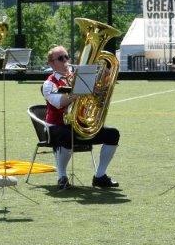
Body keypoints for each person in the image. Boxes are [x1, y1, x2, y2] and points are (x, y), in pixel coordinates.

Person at [41, 45, 121, 190]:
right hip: (57, 126)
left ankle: (100, 176)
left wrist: (103, 82)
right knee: (66, 136)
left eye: (67, 57)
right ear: (51, 63)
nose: (65, 60)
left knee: (113, 134)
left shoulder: (80, 77)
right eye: (60, 58)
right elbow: (59, 102)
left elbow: (95, 98)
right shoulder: (49, 83)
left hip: (79, 125)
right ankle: (62, 176)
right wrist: (80, 90)